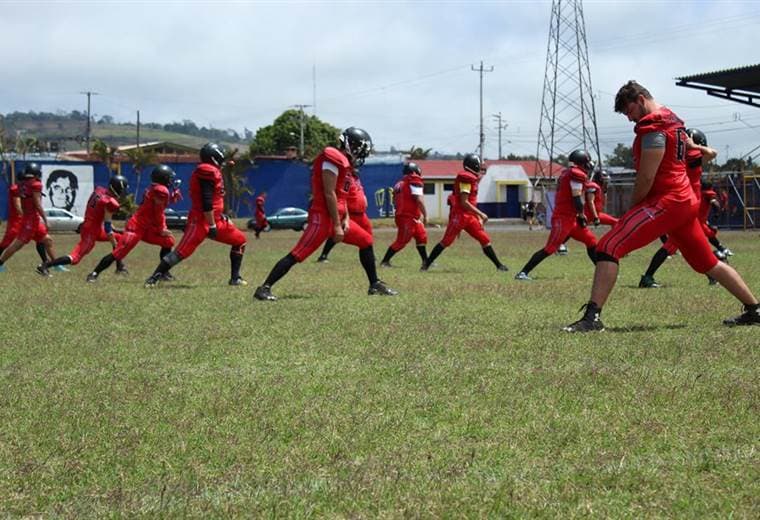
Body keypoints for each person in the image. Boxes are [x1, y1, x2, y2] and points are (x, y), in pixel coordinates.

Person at [564, 80, 759, 331]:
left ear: (641, 100)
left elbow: (647, 176)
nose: (629, 119)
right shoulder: (673, 123)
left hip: (668, 201)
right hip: (684, 201)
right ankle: (754, 309)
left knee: (608, 246)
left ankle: (592, 319)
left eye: (629, 111)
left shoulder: (654, 127)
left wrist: (633, 206)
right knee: (708, 263)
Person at [253, 127, 397, 301]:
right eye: (361, 149)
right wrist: (336, 224)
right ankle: (264, 288)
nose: (362, 154)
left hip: (336, 217)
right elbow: (330, 193)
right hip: (323, 218)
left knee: (366, 241)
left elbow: (342, 197)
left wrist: (346, 218)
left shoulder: (345, 164)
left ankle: (374, 284)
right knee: (298, 254)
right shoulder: (332, 158)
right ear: (353, 145)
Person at [144, 143, 248, 287]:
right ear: (214, 156)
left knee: (240, 240)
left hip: (215, 219)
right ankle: (153, 278)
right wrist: (211, 224)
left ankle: (235, 278)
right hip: (200, 220)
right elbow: (206, 201)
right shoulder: (207, 171)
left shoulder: (213, 171)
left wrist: (220, 216)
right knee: (181, 252)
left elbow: (215, 199)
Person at [639, 129, 729, 288]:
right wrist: (695, 146)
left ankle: (712, 274)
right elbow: (712, 153)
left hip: (685, 206)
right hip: (684, 207)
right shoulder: (691, 157)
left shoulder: (678, 160)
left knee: (689, 246)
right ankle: (647, 277)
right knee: (675, 246)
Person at [514, 150, 598, 281]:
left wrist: (578, 215)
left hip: (571, 219)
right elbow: (576, 198)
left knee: (591, 241)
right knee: (550, 249)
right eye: (586, 163)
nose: (588, 166)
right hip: (563, 219)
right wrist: (581, 214)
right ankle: (523, 273)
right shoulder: (576, 174)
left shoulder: (568, 173)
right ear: (581, 163)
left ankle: (602, 271)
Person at [86, 165, 178, 282]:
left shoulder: (155, 189)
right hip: (136, 227)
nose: (171, 181)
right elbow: (159, 213)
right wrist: (161, 229)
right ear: (163, 178)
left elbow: (155, 209)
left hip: (146, 227)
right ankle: (94, 274)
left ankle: (163, 273)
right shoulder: (161, 190)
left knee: (168, 241)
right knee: (118, 253)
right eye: (169, 178)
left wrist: (170, 200)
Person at [421, 154, 508, 272]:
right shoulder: (466, 179)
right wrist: (481, 214)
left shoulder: (472, 178)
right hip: (460, 215)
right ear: (474, 165)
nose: (481, 168)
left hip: (469, 216)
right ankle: (426, 265)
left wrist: (476, 215)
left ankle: (499, 265)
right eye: (479, 165)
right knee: (446, 241)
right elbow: (464, 202)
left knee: (484, 239)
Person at [37, 174, 129, 276]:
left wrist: (116, 232)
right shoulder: (110, 202)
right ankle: (45, 266)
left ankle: (119, 267)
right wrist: (114, 243)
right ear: (117, 189)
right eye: (123, 189)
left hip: (93, 227)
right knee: (75, 258)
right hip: (91, 232)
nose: (124, 192)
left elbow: (100, 215)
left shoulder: (99, 191)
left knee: (120, 238)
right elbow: (108, 228)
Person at [0, 163, 57, 272]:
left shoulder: (23, 185)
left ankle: (56, 264)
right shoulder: (35, 184)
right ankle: (0, 262)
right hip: (30, 220)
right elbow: (37, 204)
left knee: (47, 240)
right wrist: (45, 219)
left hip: (31, 218)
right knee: (17, 245)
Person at [316, 166, 374, 263]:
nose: (356, 170)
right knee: (338, 234)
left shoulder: (356, 179)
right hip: (351, 213)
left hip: (362, 213)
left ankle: (370, 257)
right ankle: (323, 255)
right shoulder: (345, 178)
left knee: (368, 235)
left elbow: (360, 191)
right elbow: (342, 196)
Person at [379, 162, 428, 268]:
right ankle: (385, 261)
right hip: (407, 216)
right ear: (415, 171)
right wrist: (425, 214)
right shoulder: (414, 180)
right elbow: (418, 199)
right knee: (402, 241)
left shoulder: (399, 183)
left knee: (421, 236)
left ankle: (426, 261)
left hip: (409, 216)